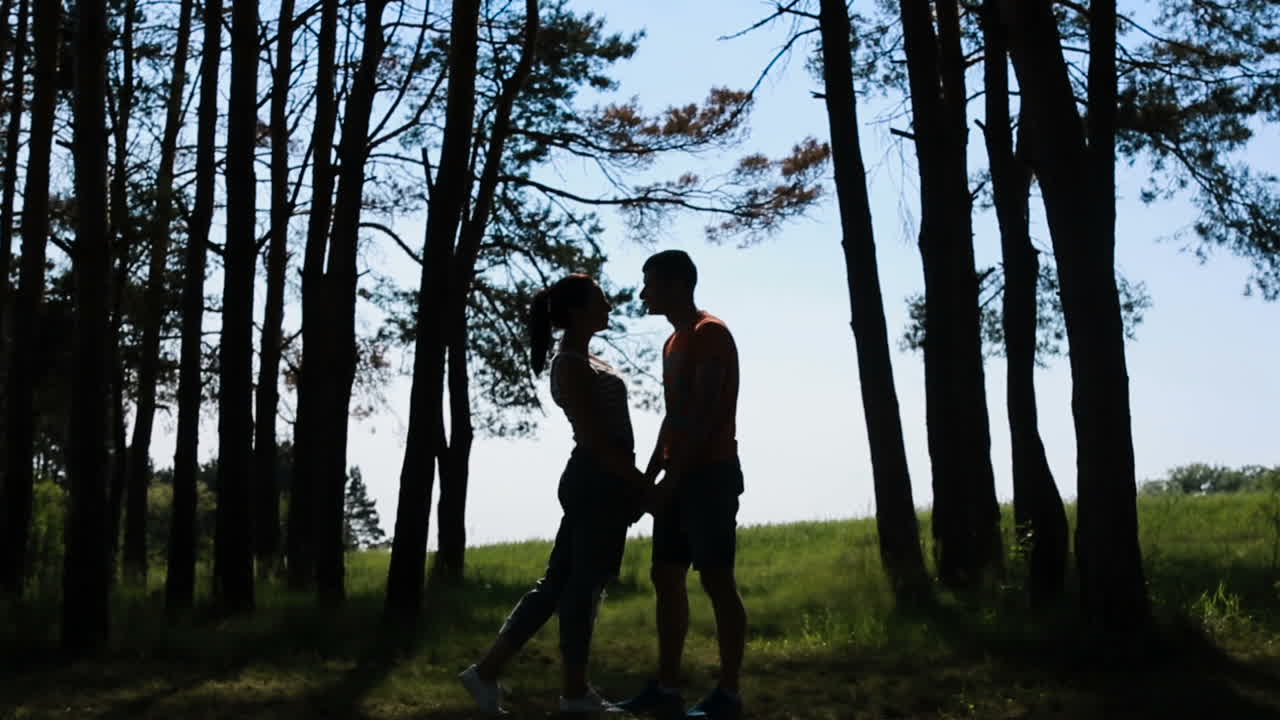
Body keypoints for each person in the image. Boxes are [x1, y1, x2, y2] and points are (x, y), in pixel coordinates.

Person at [459, 274, 645, 715]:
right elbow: (597, 439)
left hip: (601, 479)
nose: (610, 306)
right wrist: (641, 486)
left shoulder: (587, 360)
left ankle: (486, 674)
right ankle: (575, 693)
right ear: (579, 311)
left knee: (558, 587)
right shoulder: (572, 364)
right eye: (601, 299)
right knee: (582, 589)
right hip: (596, 480)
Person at [616, 250, 747, 720]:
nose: (643, 293)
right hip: (679, 476)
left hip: (709, 476)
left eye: (649, 283)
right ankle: (667, 688)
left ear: (675, 284)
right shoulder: (673, 342)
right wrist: (650, 477)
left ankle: (728, 694)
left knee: (716, 580)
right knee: (666, 577)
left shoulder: (710, 334)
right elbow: (674, 417)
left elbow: (705, 413)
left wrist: (674, 479)